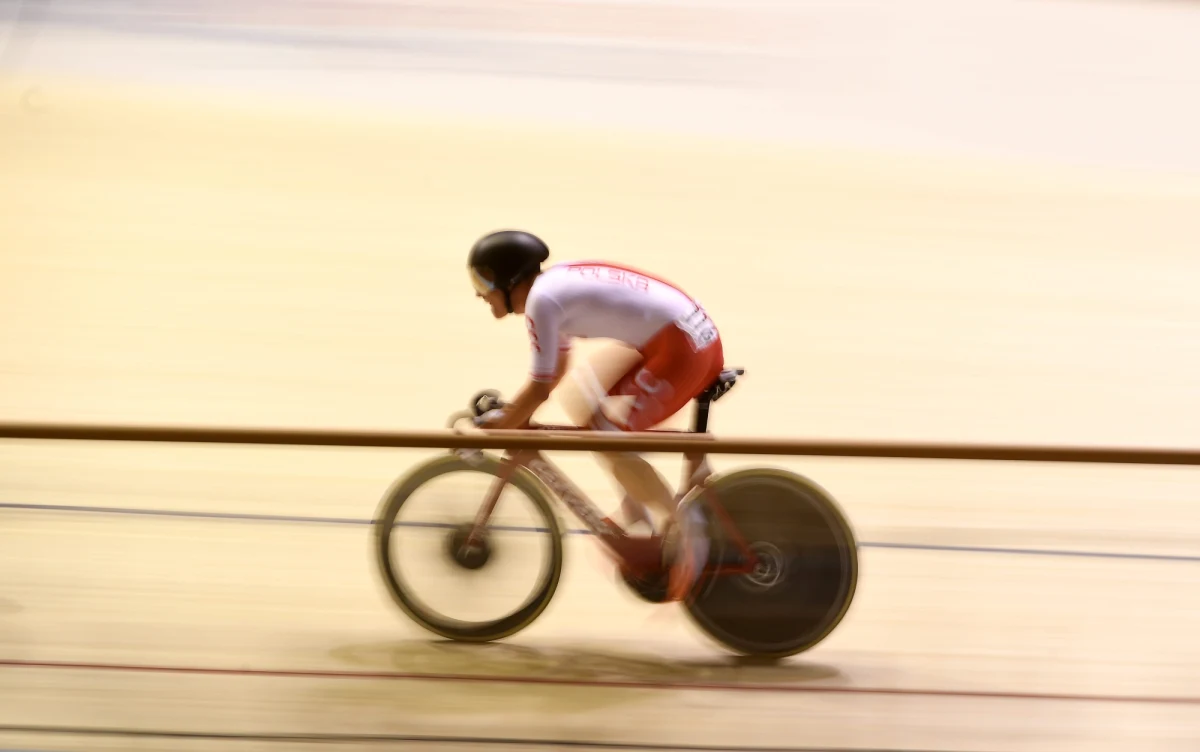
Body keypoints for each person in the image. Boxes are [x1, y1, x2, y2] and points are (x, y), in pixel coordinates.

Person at [466, 229, 725, 601]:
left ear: (509, 279)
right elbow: (554, 374)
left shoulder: (542, 302)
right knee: (583, 400)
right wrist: (512, 415)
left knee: (605, 432)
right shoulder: (551, 289)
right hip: (683, 337)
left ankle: (685, 530)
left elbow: (540, 387)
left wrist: (506, 423)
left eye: (483, 280)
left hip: (683, 348)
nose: (478, 292)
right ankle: (637, 505)